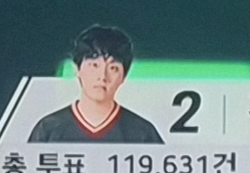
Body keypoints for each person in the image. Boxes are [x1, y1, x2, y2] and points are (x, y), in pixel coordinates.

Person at [28, 24, 166, 145]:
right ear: (77, 69)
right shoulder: (48, 129)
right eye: (94, 65)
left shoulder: (143, 133)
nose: (102, 77)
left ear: (123, 77)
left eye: (113, 68)